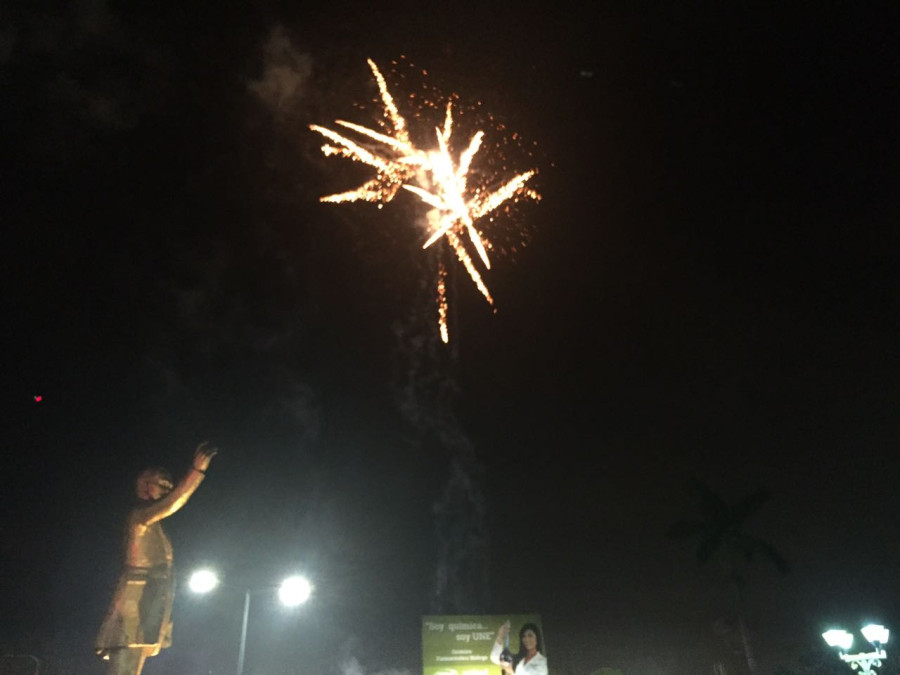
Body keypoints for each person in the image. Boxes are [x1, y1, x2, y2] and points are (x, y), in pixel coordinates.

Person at [94, 442, 217, 675]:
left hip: (149, 599)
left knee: (134, 662)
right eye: (162, 485)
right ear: (145, 486)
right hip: (135, 602)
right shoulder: (140, 517)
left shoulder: (154, 527)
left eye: (169, 486)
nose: (167, 490)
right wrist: (196, 471)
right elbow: (174, 502)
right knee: (126, 661)